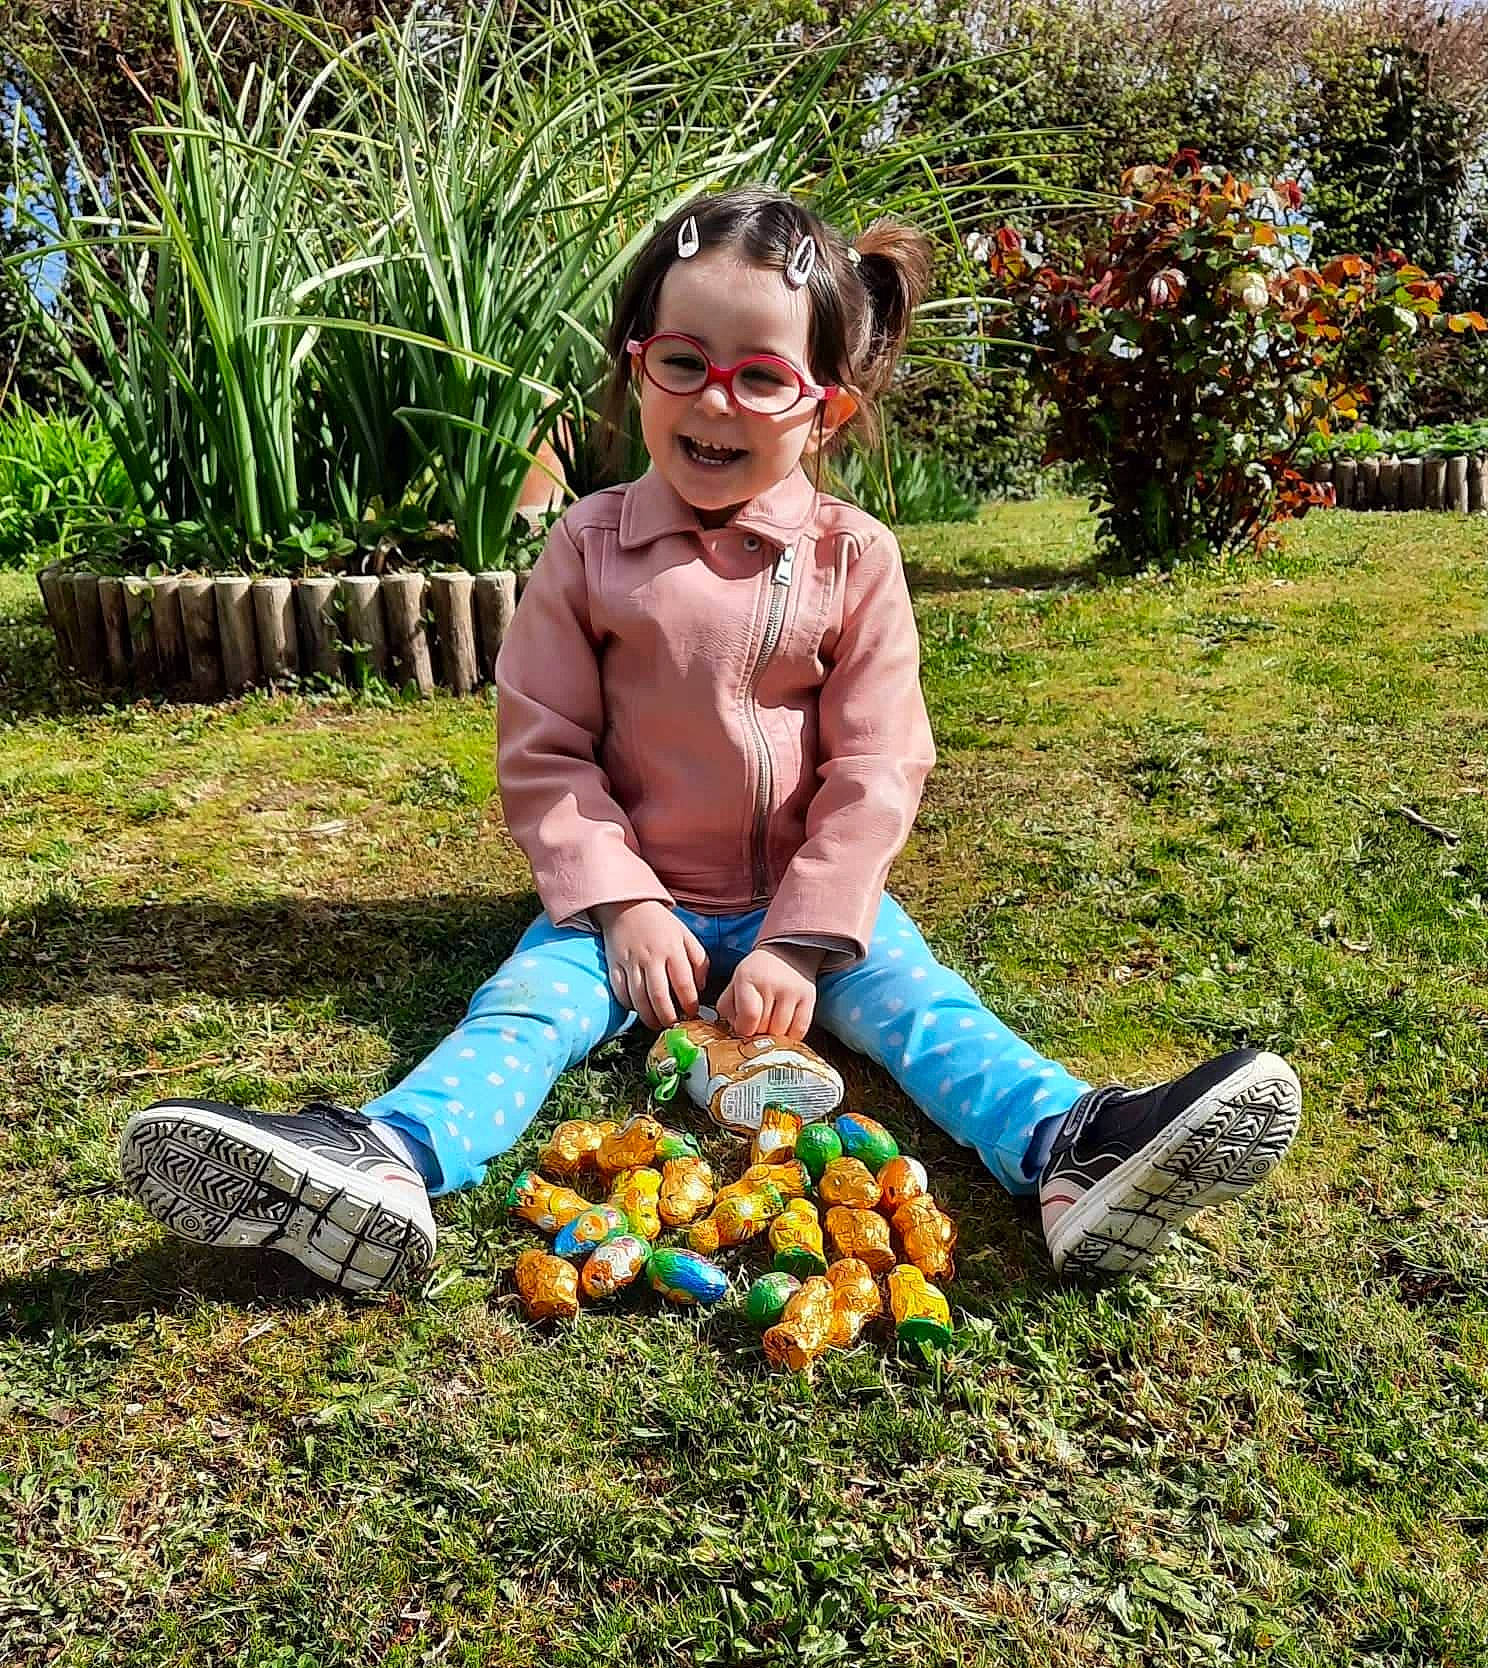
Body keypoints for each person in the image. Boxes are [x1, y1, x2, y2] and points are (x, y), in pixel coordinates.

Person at [118, 187, 1302, 1295]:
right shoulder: (588, 546)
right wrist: (620, 905)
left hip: (814, 911)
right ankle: (388, 1157)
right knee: (519, 1013)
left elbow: (878, 767)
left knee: (925, 1007)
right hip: (631, 911)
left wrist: (803, 933)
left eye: (758, 376)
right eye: (682, 364)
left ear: (824, 405)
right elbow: (547, 748)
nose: (714, 401)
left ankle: (1073, 1147)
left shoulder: (855, 558)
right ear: (637, 370)